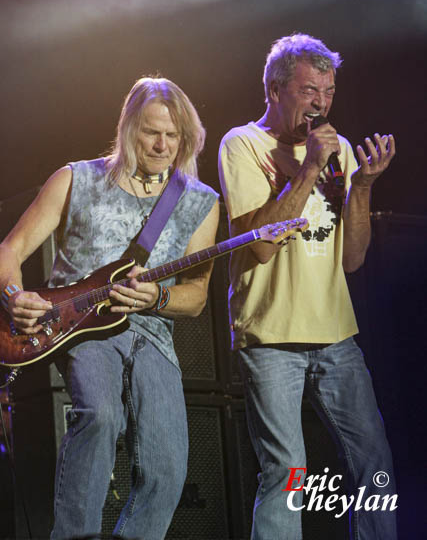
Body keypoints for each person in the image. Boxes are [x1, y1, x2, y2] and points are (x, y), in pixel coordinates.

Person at [0, 76, 219, 540]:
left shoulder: (200, 202)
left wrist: (157, 297)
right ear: (128, 129)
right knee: (99, 415)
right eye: (151, 132)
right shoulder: (76, 178)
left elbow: (197, 295)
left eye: (173, 135)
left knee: (167, 468)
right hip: (81, 329)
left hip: (153, 335)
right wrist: (13, 295)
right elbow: (10, 249)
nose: (162, 145)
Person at [218, 33, 397, 540]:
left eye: (329, 91)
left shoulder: (338, 149)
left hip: (337, 336)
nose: (321, 102)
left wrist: (360, 185)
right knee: (288, 474)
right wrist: (310, 168)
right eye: (309, 90)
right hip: (272, 338)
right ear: (275, 89)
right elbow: (260, 246)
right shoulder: (243, 144)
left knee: (374, 461)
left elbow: (354, 259)